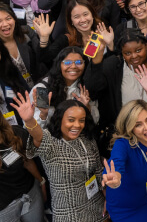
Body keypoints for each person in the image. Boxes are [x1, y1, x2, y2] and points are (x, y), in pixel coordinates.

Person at [16, 94, 106, 222]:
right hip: (68, 212)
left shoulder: (87, 138)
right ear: (60, 119)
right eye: (71, 120)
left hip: (97, 205)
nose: (77, 125)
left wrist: (109, 199)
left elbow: (98, 170)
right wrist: (29, 120)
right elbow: (38, 136)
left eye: (82, 120)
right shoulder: (50, 141)